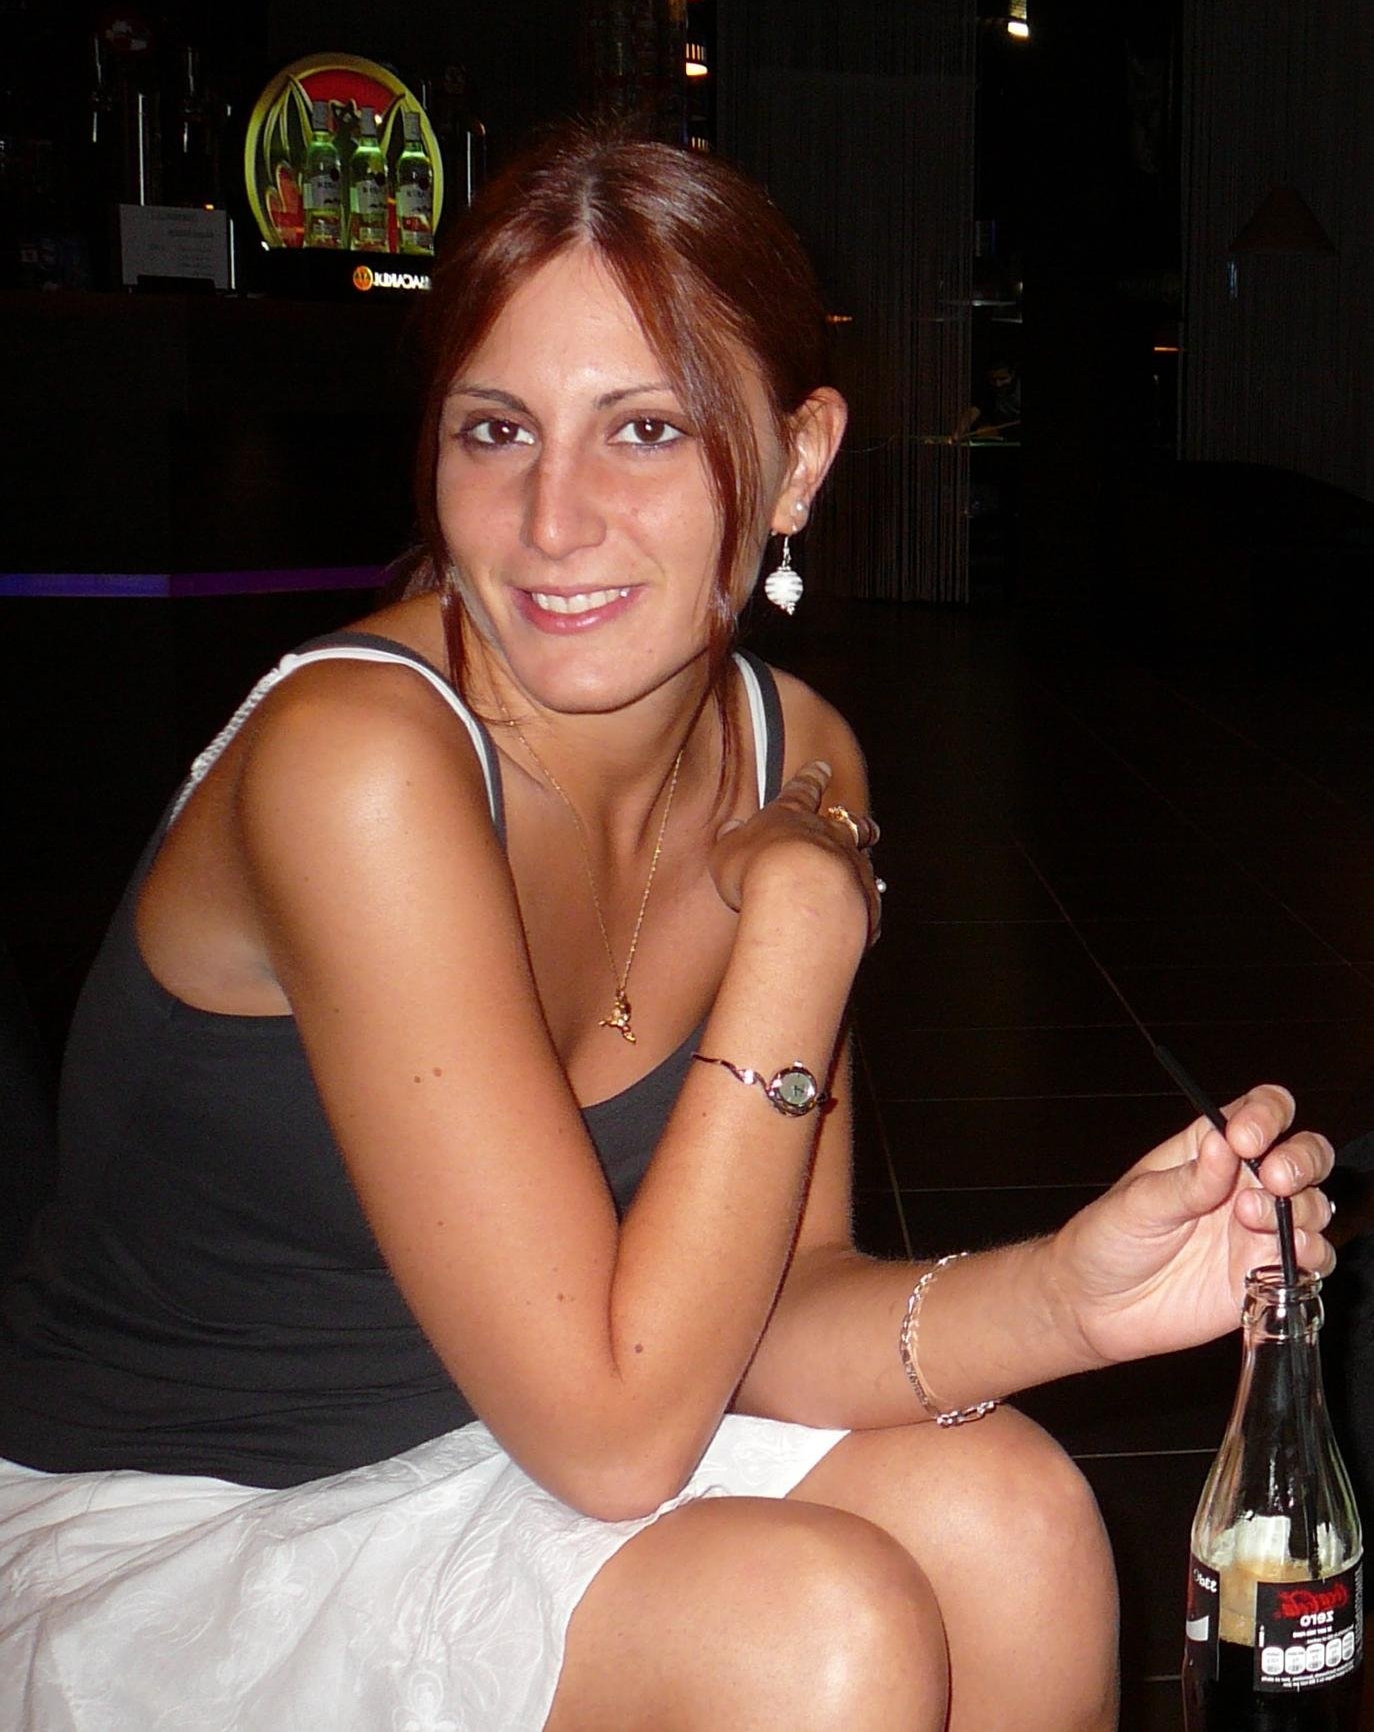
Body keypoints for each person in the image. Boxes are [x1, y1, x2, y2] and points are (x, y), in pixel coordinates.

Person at [0, 125, 1335, 1732]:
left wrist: (1069, 1295)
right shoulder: (356, 764)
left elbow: (763, 1312)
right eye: (496, 428)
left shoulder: (799, 751)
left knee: (1017, 1515)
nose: (552, 516)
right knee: (814, 1629)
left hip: (498, 1453)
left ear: (796, 458)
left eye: (642, 428)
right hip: (178, 1528)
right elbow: (618, 1436)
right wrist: (802, 918)